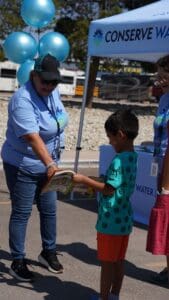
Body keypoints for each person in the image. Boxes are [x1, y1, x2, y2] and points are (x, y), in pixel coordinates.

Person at [1, 53, 68, 282]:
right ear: (33, 76)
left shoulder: (53, 91)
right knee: (22, 212)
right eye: (45, 81)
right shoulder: (22, 100)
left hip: (49, 164)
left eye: (54, 81)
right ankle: (17, 260)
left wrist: (53, 160)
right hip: (23, 164)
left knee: (49, 209)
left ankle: (48, 252)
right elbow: (32, 136)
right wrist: (49, 163)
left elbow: (57, 120)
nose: (49, 86)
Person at [73, 109, 139, 300]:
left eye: (110, 138)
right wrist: (94, 180)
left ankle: (103, 298)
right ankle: (114, 295)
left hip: (111, 221)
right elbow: (115, 184)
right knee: (118, 261)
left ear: (120, 135)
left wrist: (84, 179)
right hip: (124, 220)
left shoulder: (119, 160)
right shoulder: (133, 157)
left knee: (107, 264)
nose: (109, 143)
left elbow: (108, 189)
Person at [146, 54, 169, 287]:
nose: (160, 79)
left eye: (164, 75)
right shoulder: (164, 98)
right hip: (160, 160)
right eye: (159, 75)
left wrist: (165, 182)